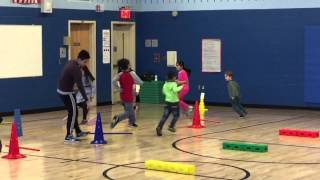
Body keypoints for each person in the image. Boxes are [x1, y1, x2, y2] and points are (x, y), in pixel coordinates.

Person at [57, 50, 90, 142]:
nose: (85, 64)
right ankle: (69, 135)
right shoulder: (75, 69)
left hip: (62, 90)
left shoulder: (73, 62)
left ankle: (78, 131)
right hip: (66, 92)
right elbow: (80, 85)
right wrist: (86, 99)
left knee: (73, 111)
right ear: (79, 59)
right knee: (73, 113)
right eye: (84, 62)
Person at [111, 59, 143, 128]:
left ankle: (131, 122)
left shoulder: (120, 74)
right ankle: (118, 118)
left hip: (122, 95)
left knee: (130, 109)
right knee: (129, 112)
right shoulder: (132, 74)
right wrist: (135, 84)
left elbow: (113, 81)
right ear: (128, 65)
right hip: (129, 95)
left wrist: (119, 89)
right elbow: (140, 82)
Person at [156, 71, 183, 136]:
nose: (176, 77)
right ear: (173, 77)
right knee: (176, 116)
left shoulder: (165, 84)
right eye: (175, 76)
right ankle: (171, 126)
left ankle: (159, 127)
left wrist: (168, 94)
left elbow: (163, 92)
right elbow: (175, 90)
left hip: (167, 102)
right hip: (174, 103)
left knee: (165, 116)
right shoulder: (173, 84)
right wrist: (182, 86)